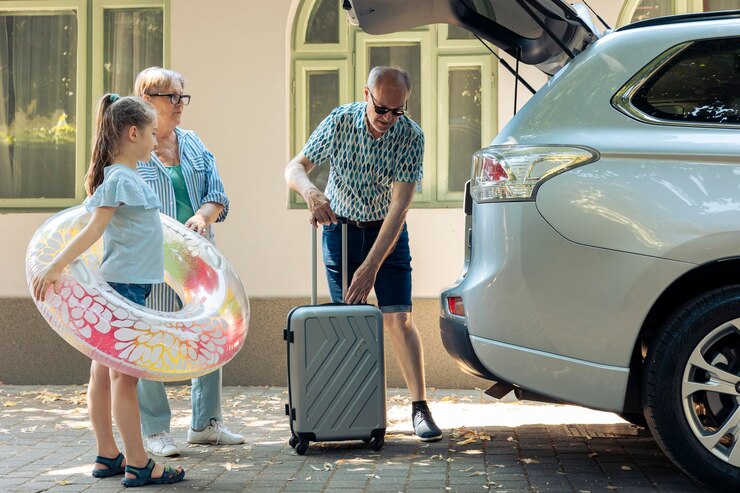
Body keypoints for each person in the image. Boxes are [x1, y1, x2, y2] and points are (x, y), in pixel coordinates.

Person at [32, 94, 185, 486]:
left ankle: (108, 455)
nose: (155, 141)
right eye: (151, 133)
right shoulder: (119, 178)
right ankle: (139, 462)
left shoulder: (125, 177)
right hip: (125, 289)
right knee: (125, 377)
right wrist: (56, 265)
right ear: (133, 133)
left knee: (101, 375)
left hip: (125, 286)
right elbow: (94, 230)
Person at [285, 66, 442, 442]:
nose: (388, 118)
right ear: (366, 95)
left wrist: (373, 264)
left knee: (398, 318)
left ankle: (419, 408)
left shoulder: (410, 135)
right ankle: (353, 408)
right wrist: (311, 192)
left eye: (397, 110)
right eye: (382, 109)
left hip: (386, 231)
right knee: (350, 323)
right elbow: (294, 167)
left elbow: (400, 206)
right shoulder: (339, 122)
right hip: (340, 230)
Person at [132, 67, 243, 457]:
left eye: (183, 96)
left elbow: (217, 191)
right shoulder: (132, 146)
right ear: (147, 99)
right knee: (151, 338)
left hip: (199, 259)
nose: (180, 104)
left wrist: (203, 216)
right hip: (153, 261)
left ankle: (206, 424)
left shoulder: (193, 143)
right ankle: (156, 431)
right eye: (171, 97)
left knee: (209, 332)